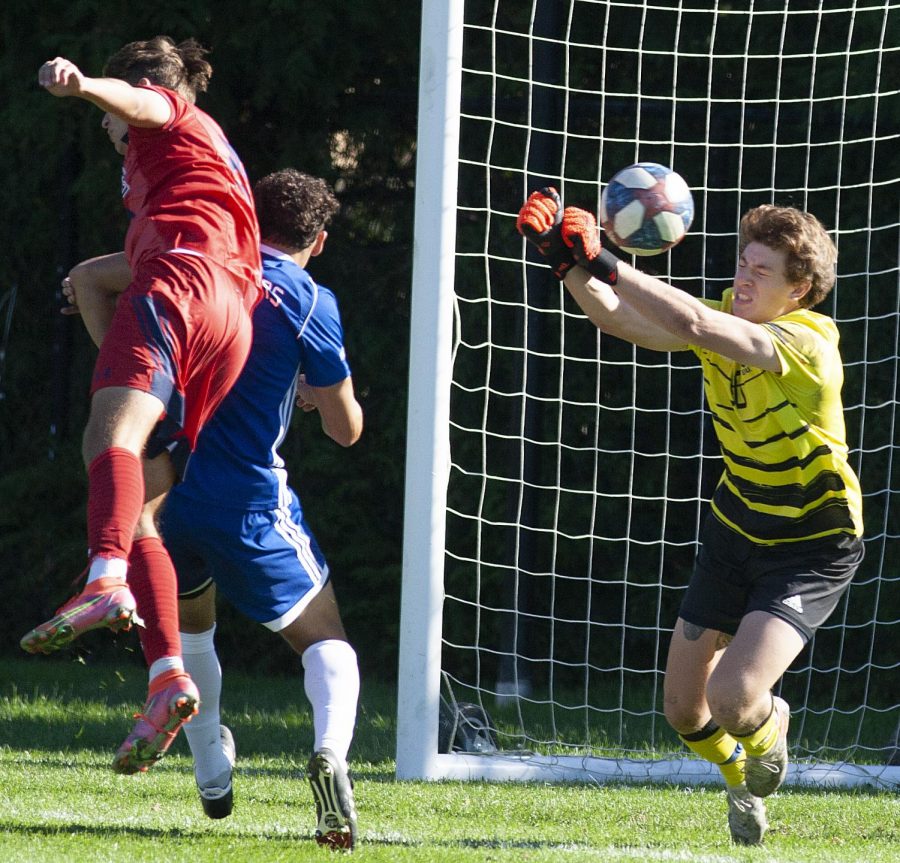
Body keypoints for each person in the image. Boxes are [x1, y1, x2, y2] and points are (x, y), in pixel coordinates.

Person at [517, 189, 864, 845]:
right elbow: (623, 321)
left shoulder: (809, 340)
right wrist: (565, 264)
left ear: (800, 288)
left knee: (735, 698)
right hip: (738, 525)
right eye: (743, 261)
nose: (743, 276)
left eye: (761, 271)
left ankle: (768, 729)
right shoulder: (718, 314)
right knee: (683, 708)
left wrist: (607, 260)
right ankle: (739, 774)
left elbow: (701, 329)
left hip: (812, 540)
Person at [59, 170, 362, 850]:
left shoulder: (198, 262)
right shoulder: (307, 299)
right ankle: (331, 754)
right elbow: (346, 430)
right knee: (326, 640)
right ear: (317, 238)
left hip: (164, 485)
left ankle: (211, 773)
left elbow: (85, 279)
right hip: (246, 495)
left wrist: (128, 368)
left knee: (192, 629)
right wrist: (316, 389)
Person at [20, 37, 262, 776]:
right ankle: (166, 679)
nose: (106, 125)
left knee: (109, 436)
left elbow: (146, 102)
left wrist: (85, 83)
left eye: (111, 113)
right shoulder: (199, 171)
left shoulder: (170, 116)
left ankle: (103, 580)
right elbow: (101, 277)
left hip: (180, 290)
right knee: (145, 508)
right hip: (227, 317)